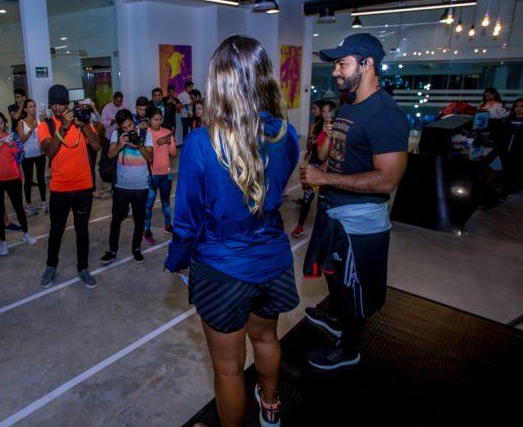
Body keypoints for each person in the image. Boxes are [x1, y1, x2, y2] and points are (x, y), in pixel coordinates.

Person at [165, 35, 300, 427]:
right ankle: (271, 407)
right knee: (267, 338)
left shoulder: (201, 142)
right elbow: (275, 189)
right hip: (272, 258)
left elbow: (186, 219)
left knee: (228, 369)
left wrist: (178, 260)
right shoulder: (286, 133)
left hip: (222, 266)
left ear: (218, 81)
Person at [301, 33, 409, 371]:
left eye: (342, 64)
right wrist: (323, 168)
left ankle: (349, 348)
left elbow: (388, 179)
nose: (335, 71)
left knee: (354, 286)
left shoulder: (386, 114)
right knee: (335, 277)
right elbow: (340, 156)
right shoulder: (349, 105)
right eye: (335, 64)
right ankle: (337, 320)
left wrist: (326, 179)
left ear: (367, 63)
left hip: (359, 220)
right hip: (334, 209)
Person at [38, 84, 101, 289]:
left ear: (68, 104)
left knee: (82, 231)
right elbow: (49, 151)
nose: (57, 108)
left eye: (61, 104)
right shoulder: (46, 125)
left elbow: (97, 146)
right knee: (56, 230)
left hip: (83, 187)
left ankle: (83, 268)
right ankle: (51, 266)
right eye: (53, 104)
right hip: (60, 188)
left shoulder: (80, 121)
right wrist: (64, 127)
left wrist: (84, 125)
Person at [0, 111, 37, 255]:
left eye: (1, 123)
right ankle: (3, 242)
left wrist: (12, 146)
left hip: (13, 179)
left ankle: (26, 234)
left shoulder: (13, 136)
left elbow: (21, 156)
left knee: (19, 208)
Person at [100, 109, 153, 265]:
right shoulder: (117, 134)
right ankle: (112, 250)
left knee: (139, 219)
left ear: (133, 120)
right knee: (116, 219)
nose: (128, 129)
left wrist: (139, 145)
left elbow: (150, 158)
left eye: (130, 125)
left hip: (141, 185)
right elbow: (110, 155)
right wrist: (120, 145)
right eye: (124, 127)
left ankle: (136, 248)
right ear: (120, 127)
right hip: (121, 186)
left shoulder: (145, 134)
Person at [291, 100, 336, 238]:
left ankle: (320, 230)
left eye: (329, 111)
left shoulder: (337, 128)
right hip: (314, 164)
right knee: (307, 198)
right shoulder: (315, 126)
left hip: (328, 169)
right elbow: (309, 146)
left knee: (322, 202)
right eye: (324, 111)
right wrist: (312, 143)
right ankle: (300, 226)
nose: (326, 114)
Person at [143, 107, 177, 245]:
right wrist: (157, 144)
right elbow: (146, 155)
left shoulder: (167, 132)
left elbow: (173, 153)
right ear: (149, 120)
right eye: (155, 120)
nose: (158, 122)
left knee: (166, 202)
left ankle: (168, 226)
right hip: (152, 175)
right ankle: (146, 230)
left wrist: (170, 142)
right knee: (148, 204)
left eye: (160, 119)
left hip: (166, 174)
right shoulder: (146, 133)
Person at [18, 99, 48, 214]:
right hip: (27, 156)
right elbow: (22, 139)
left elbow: (46, 133)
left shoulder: (40, 119)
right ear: (25, 109)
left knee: (41, 179)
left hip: (40, 153)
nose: (33, 108)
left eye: (34, 106)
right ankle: (29, 205)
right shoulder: (21, 122)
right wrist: (31, 129)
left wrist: (44, 119)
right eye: (30, 106)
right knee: (28, 179)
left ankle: (44, 203)